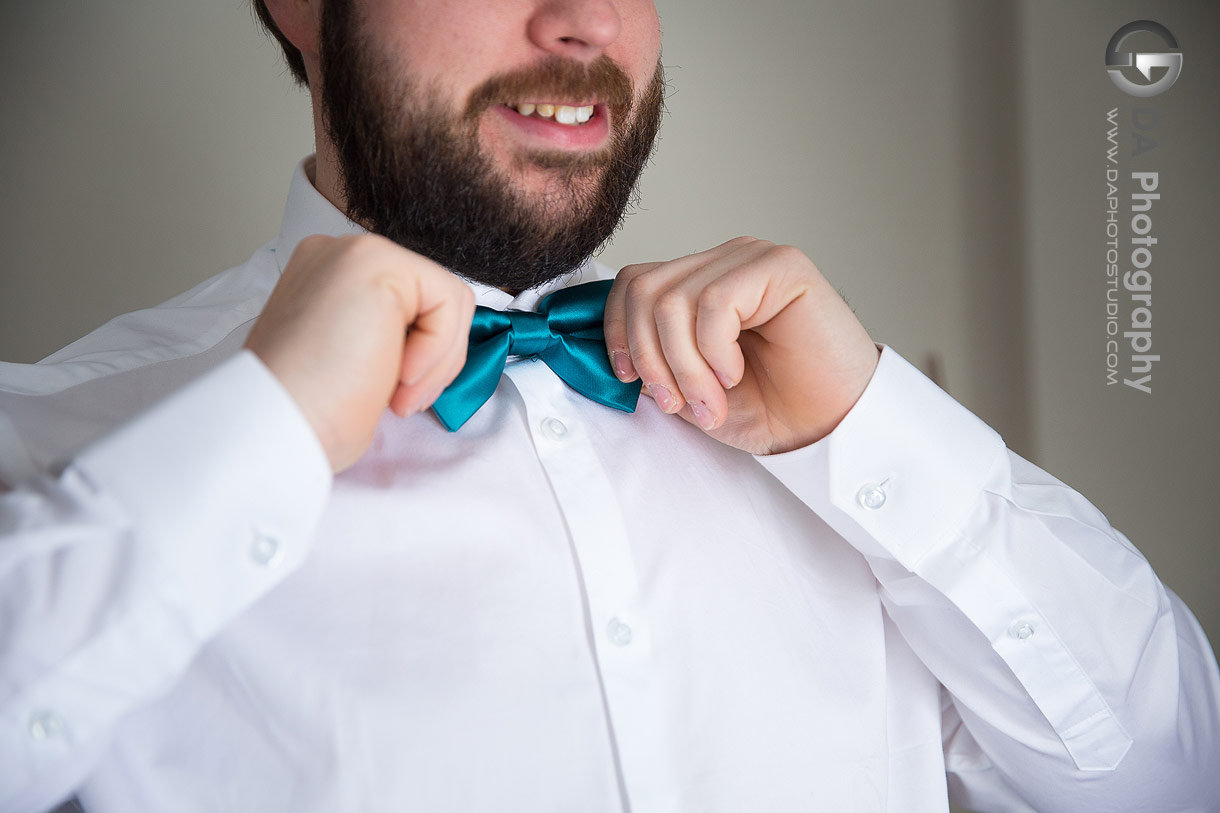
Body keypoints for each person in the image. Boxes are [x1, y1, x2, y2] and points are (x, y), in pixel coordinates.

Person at [1, 0, 1217, 810]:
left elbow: (1168, 773)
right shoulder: (56, 451)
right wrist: (258, 438)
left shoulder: (829, 436)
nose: (579, 20)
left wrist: (870, 435)